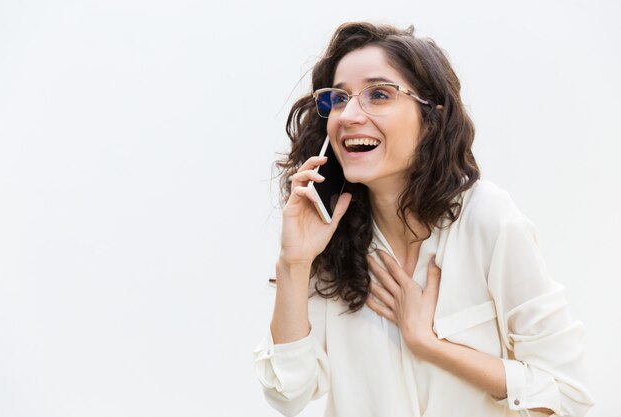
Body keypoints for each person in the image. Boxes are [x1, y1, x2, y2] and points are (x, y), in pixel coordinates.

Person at [253, 22, 594, 417]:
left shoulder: (489, 220)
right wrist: (294, 263)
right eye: (339, 98)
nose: (349, 115)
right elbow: (289, 393)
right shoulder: (329, 237)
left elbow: (566, 395)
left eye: (379, 94)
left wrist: (429, 344)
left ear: (431, 118)